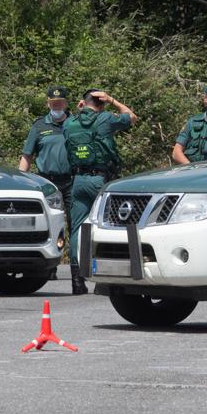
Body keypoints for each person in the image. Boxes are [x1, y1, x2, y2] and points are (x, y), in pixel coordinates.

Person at [64, 88, 136, 294]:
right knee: (108, 225)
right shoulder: (105, 119)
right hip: (100, 181)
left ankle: (77, 279)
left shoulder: (70, 123)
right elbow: (131, 117)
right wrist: (113, 100)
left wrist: (81, 110)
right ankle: (106, 278)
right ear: (101, 103)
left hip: (77, 180)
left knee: (77, 228)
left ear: (83, 103)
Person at [19, 86, 73, 272]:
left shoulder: (75, 124)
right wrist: (21, 182)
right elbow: (27, 155)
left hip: (72, 181)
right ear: (48, 103)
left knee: (76, 224)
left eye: (60, 103)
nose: (57, 106)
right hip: (47, 183)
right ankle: (49, 268)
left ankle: (76, 266)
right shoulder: (39, 125)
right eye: (53, 103)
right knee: (50, 223)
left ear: (66, 103)